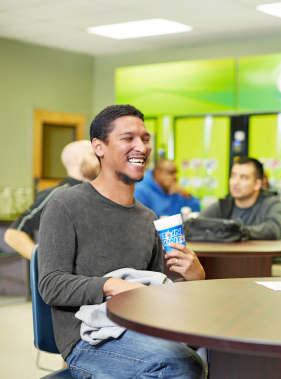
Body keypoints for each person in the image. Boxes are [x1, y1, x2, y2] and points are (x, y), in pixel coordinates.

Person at [38, 104, 206, 378]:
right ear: (99, 147)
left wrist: (194, 278)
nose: (141, 146)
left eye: (145, 138)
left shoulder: (147, 217)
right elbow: (51, 284)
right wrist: (112, 285)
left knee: (211, 349)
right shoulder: (65, 204)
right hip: (88, 342)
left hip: (140, 327)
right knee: (180, 364)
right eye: (128, 138)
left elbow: (154, 292)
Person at [4, 140, 99, 260]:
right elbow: (13, 234)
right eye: (93, 155)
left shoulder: (102, 193)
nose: (100, 160)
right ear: (77, 159)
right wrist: (44, 263)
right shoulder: (57, 195)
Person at [200, 157, 281, 240]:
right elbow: (197, 224)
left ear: (257, 184)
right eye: (233, 176)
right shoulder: (224, 204)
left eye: (244, 177)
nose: (236, 182)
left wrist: (239, 231)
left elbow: (273, 230)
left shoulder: (271, 203)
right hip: (228, 253)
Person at [134, 158, 201, 217]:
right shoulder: (140, 191)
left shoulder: (175, 191)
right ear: (158, 173)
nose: (175, 177)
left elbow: (196, 211)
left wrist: (186, 195)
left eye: (176, 172)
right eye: (171, 173)